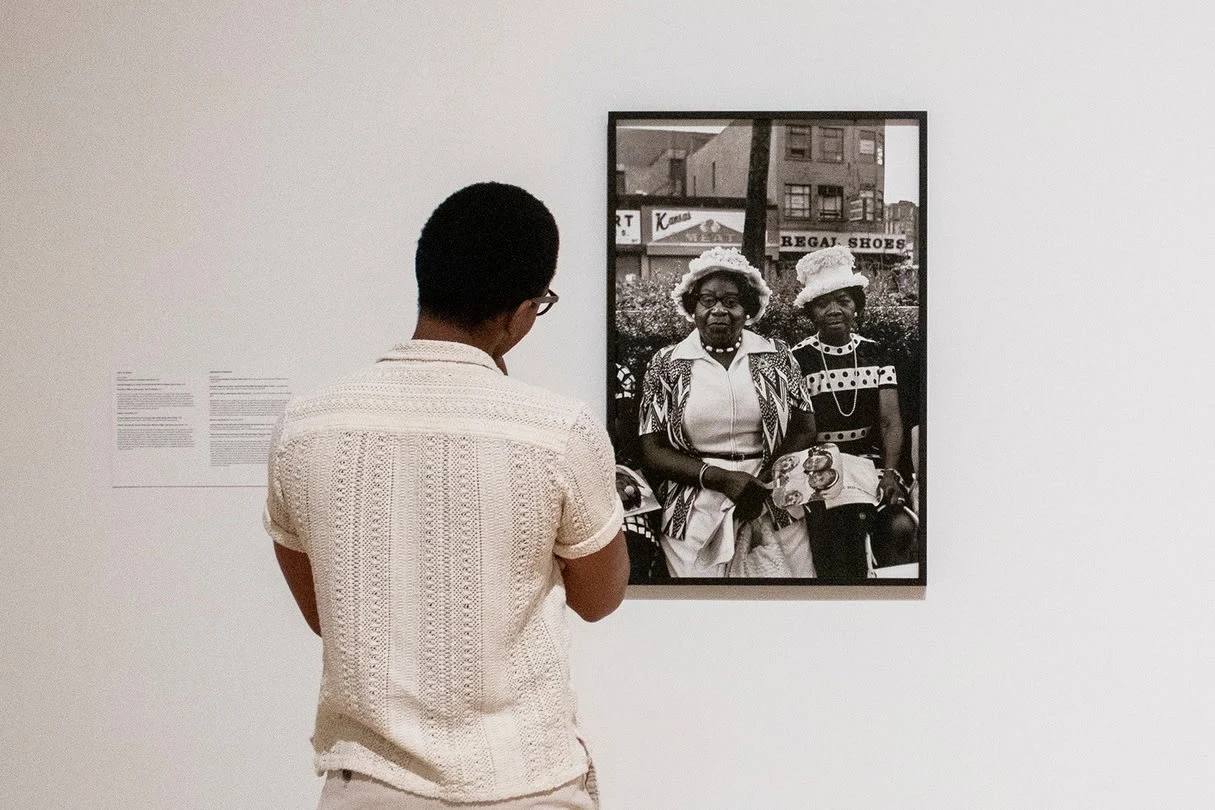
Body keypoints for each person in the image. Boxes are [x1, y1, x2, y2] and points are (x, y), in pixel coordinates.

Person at [264, 182, 629, 809]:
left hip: (369, 788)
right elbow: (599, 598)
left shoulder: (307, 426)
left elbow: (327, 613)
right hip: (525, 782)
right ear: (523, 310)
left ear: (424, 278)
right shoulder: (555, 430)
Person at [637, 246, 817, 578]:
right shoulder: (665, 364)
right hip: (693, 514)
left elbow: (805, 428)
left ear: (748, 309)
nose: (719, 310)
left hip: (772, 504)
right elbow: (651, 449)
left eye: (731, 302)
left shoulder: (778, 356)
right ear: (692, 306)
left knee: (785, 611)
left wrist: (762, 483)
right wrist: (721, 479)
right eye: (708, 300)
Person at [789, 245, 917, 578]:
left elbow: (890, 422)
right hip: (817, 466)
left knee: (900, 526)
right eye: (823, 303)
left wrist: (890, 472)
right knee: (837, 529)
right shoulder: (797, 359)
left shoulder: (876, 353)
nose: (834, 310)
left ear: (856, 307)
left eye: (843, 301)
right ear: (811, 312)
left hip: (871, 465)